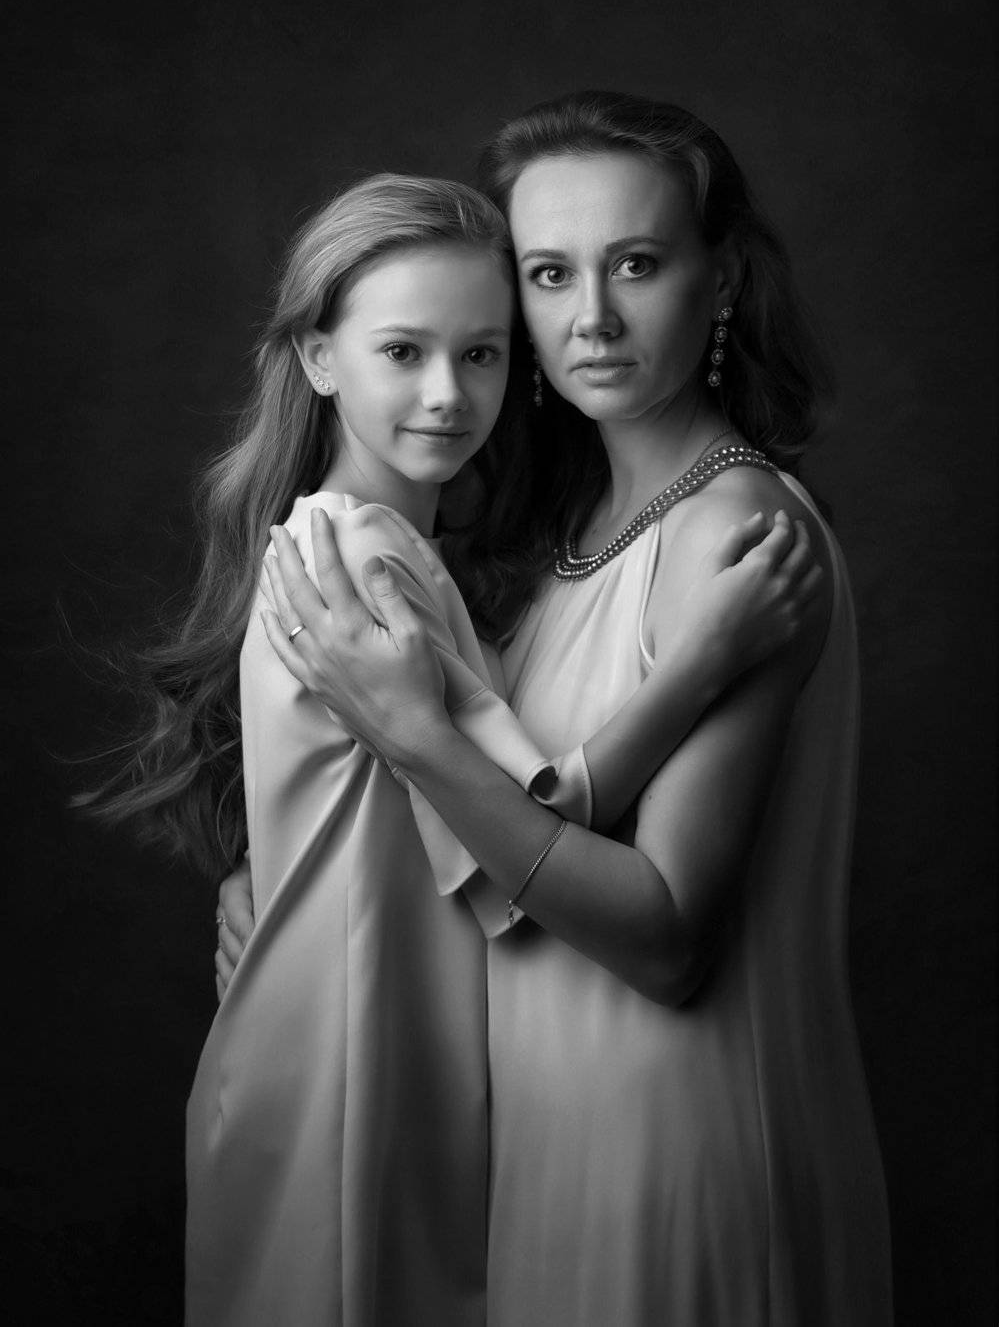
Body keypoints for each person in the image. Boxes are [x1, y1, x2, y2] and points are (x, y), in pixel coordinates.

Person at [82, 168, 821, 1327]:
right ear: (320, 358)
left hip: (366, 1036)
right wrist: (706, 656)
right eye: (402, 352)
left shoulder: (383, 549)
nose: (446, 394)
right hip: (354, 1059)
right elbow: (546, 809)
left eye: (481, 354)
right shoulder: (369, 564)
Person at [225, 93, 893, 1325]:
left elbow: (665, 940)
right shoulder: (556, 534)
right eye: (548, 273)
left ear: (722, 280)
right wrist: (273, 888)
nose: (590, 316)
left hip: (677, 1150)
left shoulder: (734, 532)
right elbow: (484, 809)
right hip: (541, 1151)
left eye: (636, 264)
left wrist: (412, 740)